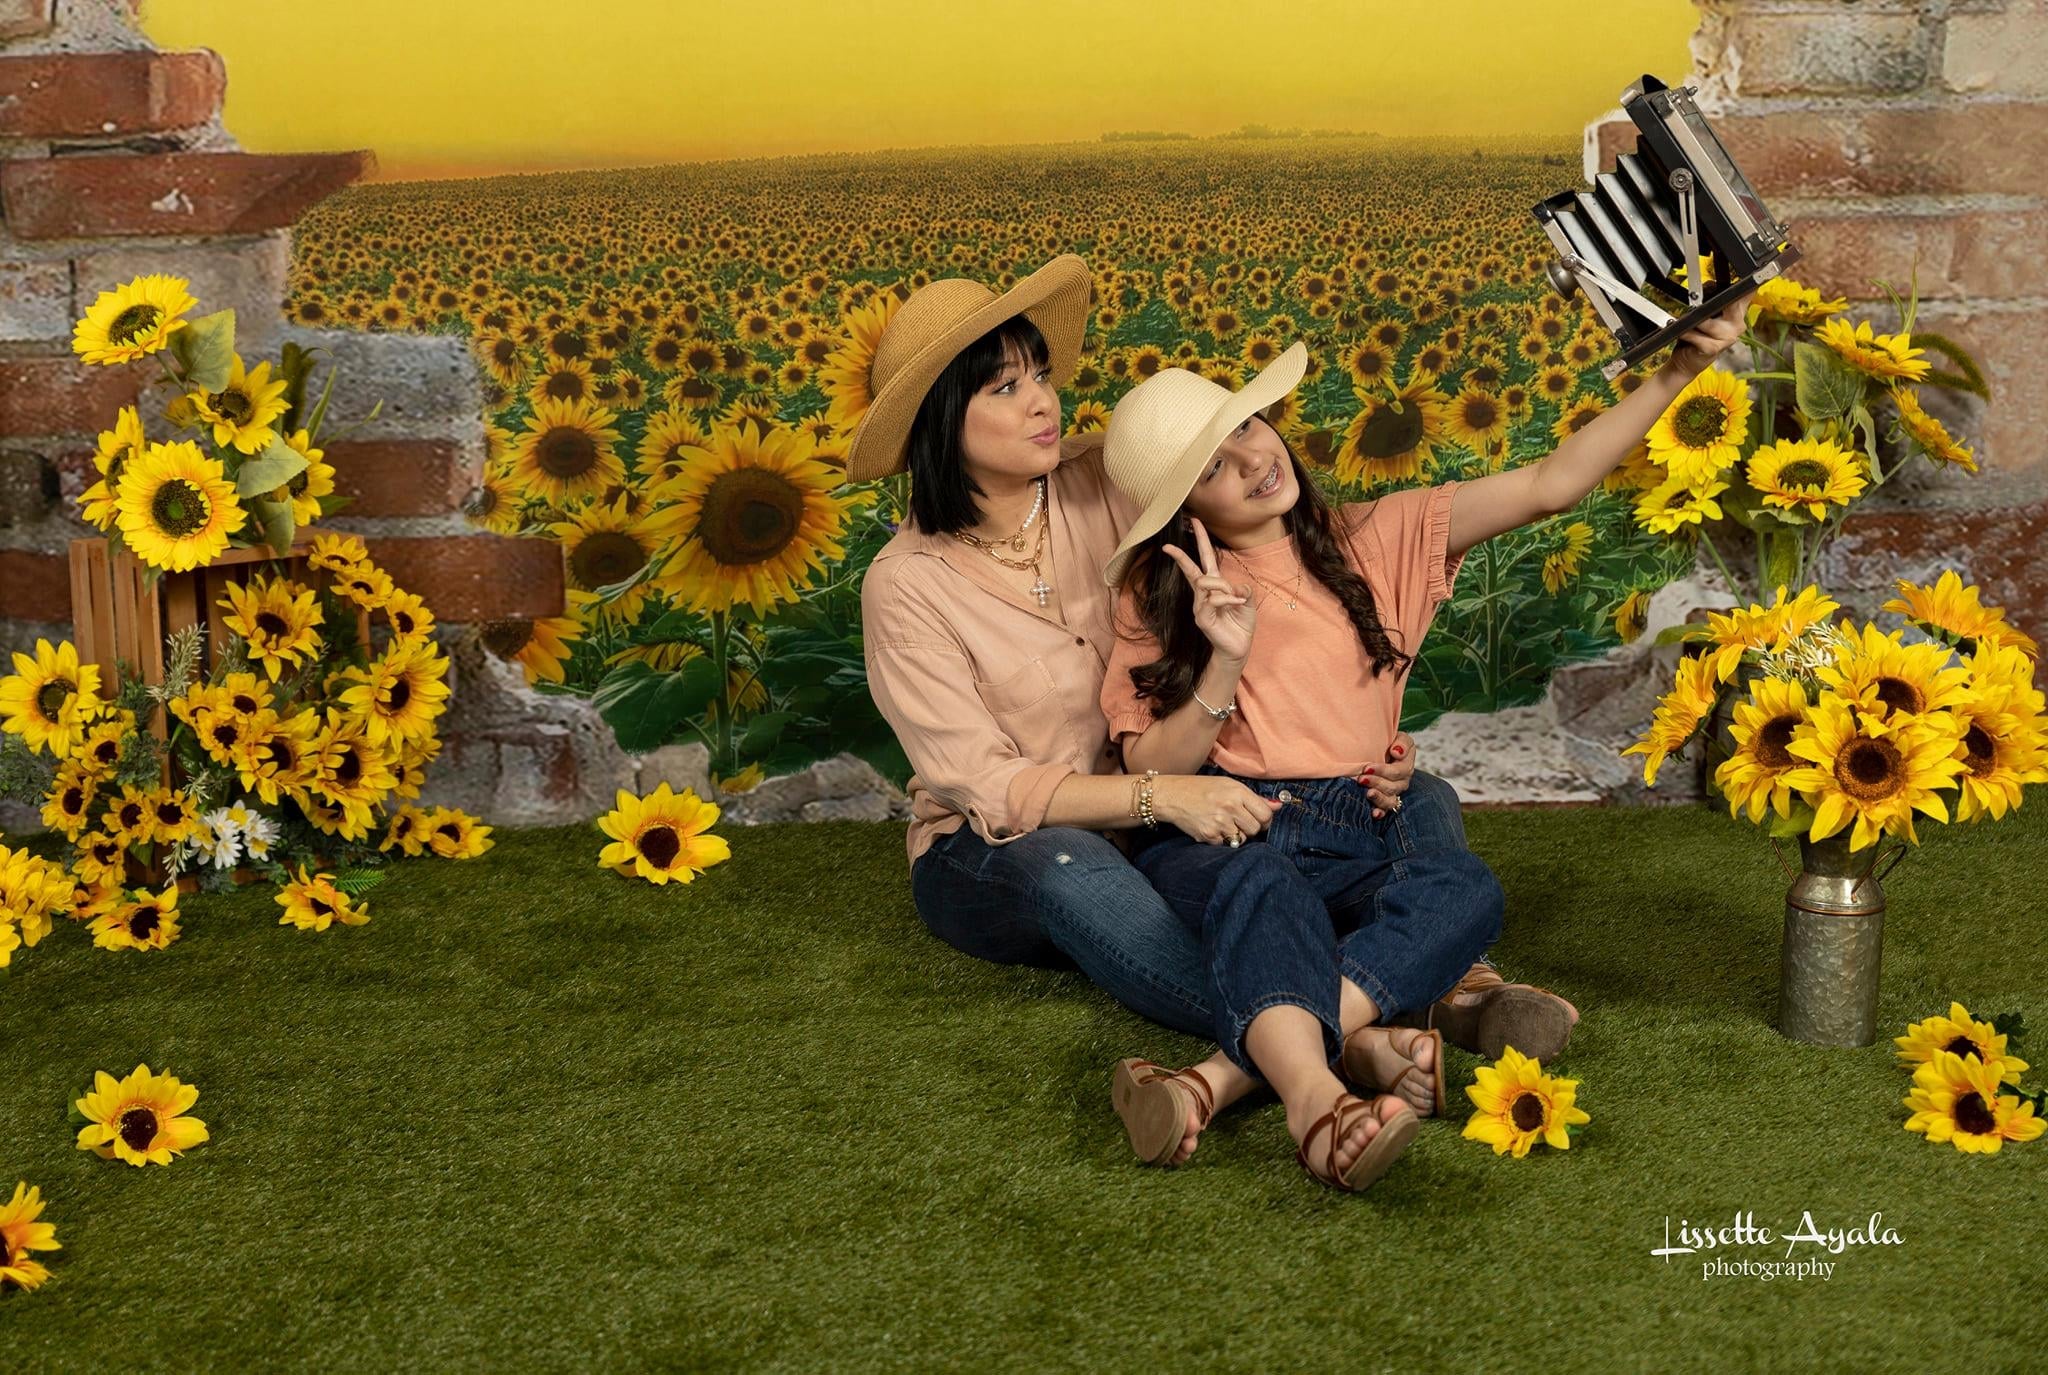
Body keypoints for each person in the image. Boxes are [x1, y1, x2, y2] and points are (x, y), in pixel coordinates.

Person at [847, 254, 1575, 1173]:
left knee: (1412, 790)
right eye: (1005, 387)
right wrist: (1159, 796)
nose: (1044, 401)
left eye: (1039, 373)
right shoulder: (905, 587)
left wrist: (1359, 719)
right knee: (1063, 867)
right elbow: (990, 787)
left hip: (1188, 799)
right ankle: (1392, 1019)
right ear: (939, 426)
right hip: (1003, 846)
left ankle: (1270, 1049)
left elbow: (1281, 564)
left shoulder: (1110, 485)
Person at [1095, 293, 1753, 1190]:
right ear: (1186, 515)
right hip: (1231, 823)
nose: (1254, 459)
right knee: (1264, 887)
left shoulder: (1378, 533)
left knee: (1464, 886)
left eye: (1248, 427)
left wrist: (1680, 369)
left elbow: (1551, 483)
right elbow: (1149, 771)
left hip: (1357, 818)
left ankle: (1215, 1079)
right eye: (1213, 466)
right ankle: (1320, 1107)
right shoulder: (1160, 596)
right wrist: (1222, 661)